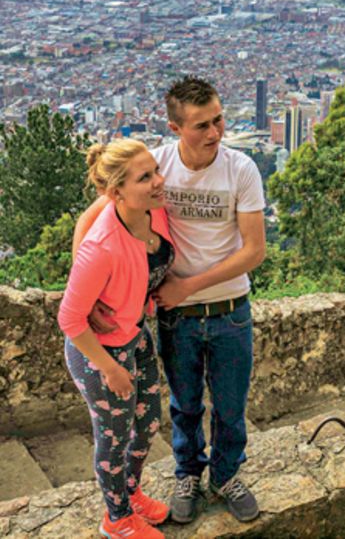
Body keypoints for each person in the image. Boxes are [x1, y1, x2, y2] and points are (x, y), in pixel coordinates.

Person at [74, 76, 267, 525]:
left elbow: (253, 252)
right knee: (184, 406)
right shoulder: (155, 168)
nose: (214, 133)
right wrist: (84, 293)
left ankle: (225, 475)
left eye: (218, 120)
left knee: (232, 406)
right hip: (176, 316)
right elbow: (91, 220)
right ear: (176, 127)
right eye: (201, 125)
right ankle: (188, 475)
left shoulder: (241, 169)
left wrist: (188, 286)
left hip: (229, 311)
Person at [58, 139, 173, 539]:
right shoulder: (102, 246)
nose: (159, 182)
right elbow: (70, 317)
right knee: (113, 435)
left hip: (135, 336)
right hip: (99, 353)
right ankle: (117, 518)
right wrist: (109, 369)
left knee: (149, 424)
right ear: (116, 193)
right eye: (146, 178)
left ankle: (131, 491)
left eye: (156, 170)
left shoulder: (152, 212)